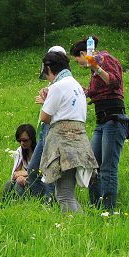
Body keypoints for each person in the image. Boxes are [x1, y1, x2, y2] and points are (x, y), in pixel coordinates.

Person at [70, 35, 127, 210]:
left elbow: (115, 81)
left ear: (82, 53)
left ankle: (107, 210)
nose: (78, 64)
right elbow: (96, 91)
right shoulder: (95, 70)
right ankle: (96, 206)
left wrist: (96, 67)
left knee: (108, 169)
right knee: (92, 165)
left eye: (77, 60)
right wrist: (79, 90)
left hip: (113, 119)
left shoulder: (106, 59)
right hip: (101, 121)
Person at [38, 51, 99, 213]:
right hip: (79, 141)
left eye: (47, 73)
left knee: (64, 195)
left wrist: (45, 101)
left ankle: (78, 229)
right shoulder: (76, 85)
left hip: (63, 143)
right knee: (66, 193)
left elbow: (44, 117)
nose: (48, 78)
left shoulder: (58, 86)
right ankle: (77, 226)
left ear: (50, 68)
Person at [24, 45, 68, 200]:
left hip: (53, 128)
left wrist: (45, 101)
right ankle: (42, 199)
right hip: (45, 129)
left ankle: (50, 200)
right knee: (33, 169)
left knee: (50, 167)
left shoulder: (63, 83)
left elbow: (53, 112)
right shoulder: (55, 82)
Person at [2, 124, 36, 200]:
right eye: (19, 140)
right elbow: (14, 174)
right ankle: (3, 204)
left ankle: (19, 204)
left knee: (19, 182)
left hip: (37, 182)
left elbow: (43, 173)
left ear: (32, 139)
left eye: (25, 140)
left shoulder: (39, 152)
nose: (22, 143)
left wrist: (26, 174)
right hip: (25, 180)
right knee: (9, 184)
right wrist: (21, 176)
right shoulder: (20, 151)